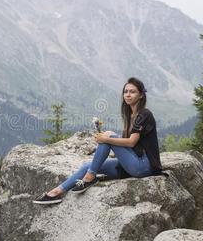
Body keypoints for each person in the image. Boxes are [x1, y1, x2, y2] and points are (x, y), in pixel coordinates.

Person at [33, 77, 163, 205]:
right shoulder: (130, 116)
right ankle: (56, 193)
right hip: (130, 164)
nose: (128, 95)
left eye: (132, 92)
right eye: (126, 91)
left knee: (107, 139)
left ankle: (90, 178)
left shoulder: (144, 114)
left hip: (143, 166)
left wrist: (107, 138)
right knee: (87, 166)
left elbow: (131, 142)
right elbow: (129, 142)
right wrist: (110, 135)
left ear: (141, 95)